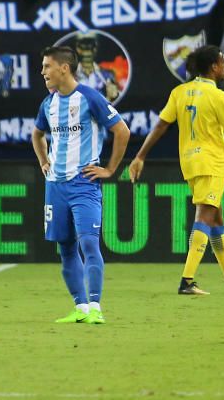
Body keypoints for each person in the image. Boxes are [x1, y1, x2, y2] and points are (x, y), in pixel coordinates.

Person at [129, 45, 224, 295]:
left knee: (216, 218)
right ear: (213, 67)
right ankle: (187, 280)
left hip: (189, 162)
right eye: (222, 62)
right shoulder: (219, 96)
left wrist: (140, 156)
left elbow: (160, 127)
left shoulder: (180, 92)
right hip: (212, 162)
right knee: (204, 218)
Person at [31, 46, 130, 325]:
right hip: (55, 186)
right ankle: (81, 307)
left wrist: (110, 169)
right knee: (65, 248)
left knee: (88, 242)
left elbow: (122, 131)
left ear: (64, 68)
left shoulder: (90, 98)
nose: (43, 72)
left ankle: (96, 306)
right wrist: (43, 161)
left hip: (84, 183)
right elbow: (37, 134)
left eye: (47, 66)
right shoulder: (48, 104)